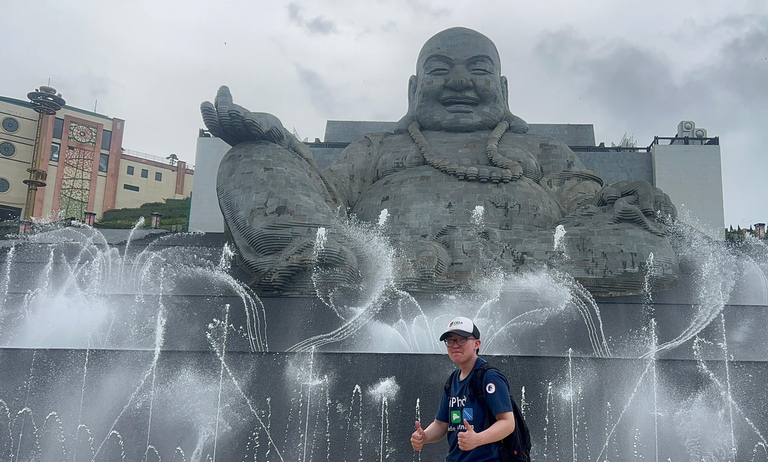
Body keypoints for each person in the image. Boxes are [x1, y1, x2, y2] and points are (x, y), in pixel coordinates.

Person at [201, 27, 679, 297]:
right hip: (372, 252)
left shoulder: (539, 151)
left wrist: (630, 200)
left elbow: (588, 204)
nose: (459, 83)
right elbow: (323, 198)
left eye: (478, 71)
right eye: (439, 71)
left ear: (504, 89)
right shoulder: (378, 148)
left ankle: (438, 267)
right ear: (413, 90)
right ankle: (344, 263)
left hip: (528, 257)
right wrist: (279, 140)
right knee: (251, 158)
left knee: (641, 228)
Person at [410, 316, 515, 462]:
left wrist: (477, 439)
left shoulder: (489, 376)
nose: (455, 345)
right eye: (450, 340)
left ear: (477, 344)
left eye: (461, 339)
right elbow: (441, 424)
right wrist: (424, 437)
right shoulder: (453, 380)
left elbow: (508, 423)